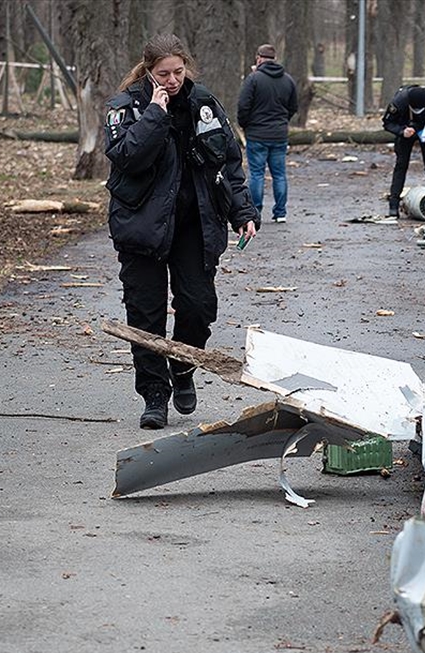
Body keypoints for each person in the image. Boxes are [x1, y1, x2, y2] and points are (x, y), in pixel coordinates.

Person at [104, 33, 258, 429]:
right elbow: (127, 157)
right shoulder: (126, 107)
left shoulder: (203, 103)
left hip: (194, 226)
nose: (172, 80)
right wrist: (155, 114)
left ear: (186, 66)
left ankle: (184, 365)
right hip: (143, 227)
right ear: (148, 71)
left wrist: (243, 211)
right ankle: (154, 395)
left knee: (198, 305)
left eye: (177, 71)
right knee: (145, 315)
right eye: (163, 74)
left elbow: (228, 161)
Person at [237, 43, 298, 224]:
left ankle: (256, 211)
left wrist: (245, 125)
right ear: (275, 59)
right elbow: (293, 107)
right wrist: (282, 121)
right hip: (279, 134)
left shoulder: (253, 79)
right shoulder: (288, 80)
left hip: (257, 134)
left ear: (259, 58)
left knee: (256, 174)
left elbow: (243, 106)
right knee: (279, 174)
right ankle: (280, 212)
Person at [382, 85, 425, 218]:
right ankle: (393, 205)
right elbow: (387, 123)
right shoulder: (398, 102)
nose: (418, 111)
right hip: (406, 129)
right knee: (401, 165)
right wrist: (402, 131)